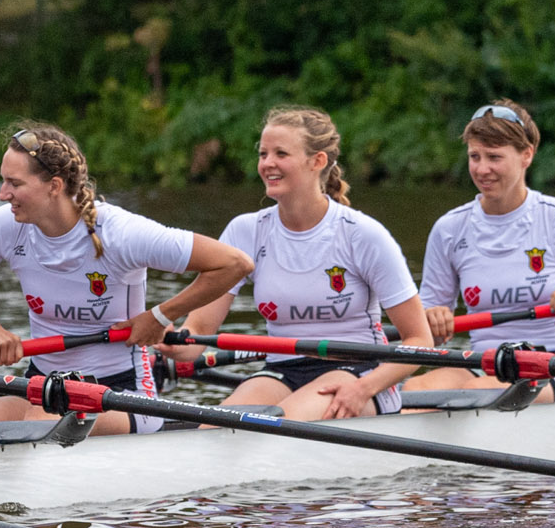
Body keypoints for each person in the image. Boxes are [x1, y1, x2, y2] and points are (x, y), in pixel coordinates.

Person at [0, 122, 253, 433]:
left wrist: (159, 316)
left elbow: (234, 263)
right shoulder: (6, 226)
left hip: (123, 393)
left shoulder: (122, 234)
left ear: (54, 186)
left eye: (15, 183)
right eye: (3, 180)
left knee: (43, 417)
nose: (2, 194)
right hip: (44, 387)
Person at [181, 106, 434, 420]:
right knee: (214, 430)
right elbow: (200, 329)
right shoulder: (245, 231)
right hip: (281, 369)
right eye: (263, 154)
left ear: (318, 161)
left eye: (281, 153)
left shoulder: (363, 235)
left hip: (357, 371)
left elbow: (421, 341)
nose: (267, 164)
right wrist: (164, 340)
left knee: (274, 429)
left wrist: (365, 388)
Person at [404, 102, 555, 402]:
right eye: (474, 157)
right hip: (484, 364)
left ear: (526, 155)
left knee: (477, 392)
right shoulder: (449, 229)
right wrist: (432, 317)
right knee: (415, 390)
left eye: (494, 158)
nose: (481, 169)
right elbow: (426, 332)